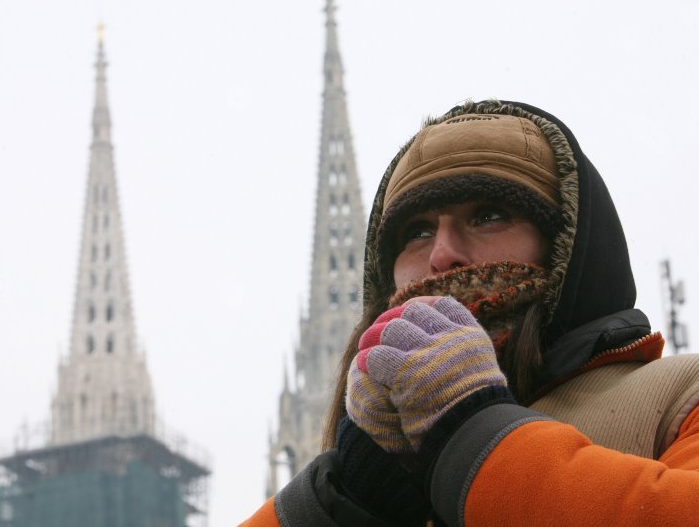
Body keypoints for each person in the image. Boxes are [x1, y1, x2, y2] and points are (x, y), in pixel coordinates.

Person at [242, 99, 699, 527]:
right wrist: (336, 502)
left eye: (488, 216)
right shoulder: (370, 457)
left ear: (567, 247)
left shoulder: (679, 397)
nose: (442, 254)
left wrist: (475, 437)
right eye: (416, 231)